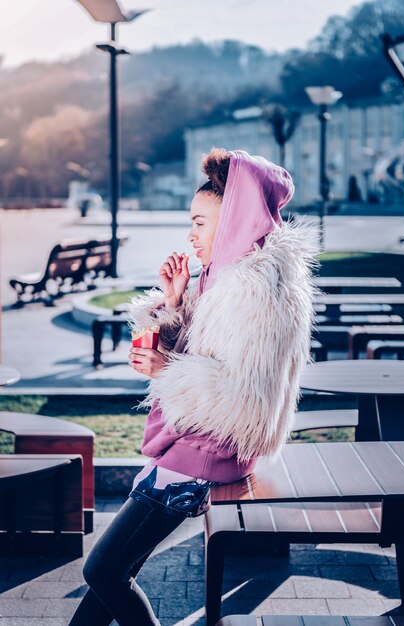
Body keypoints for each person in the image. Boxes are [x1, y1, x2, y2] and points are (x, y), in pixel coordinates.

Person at [68, 148, 320, 626]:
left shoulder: (259, 292)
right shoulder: (223, 279)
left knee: (102, 571)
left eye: (202, 222)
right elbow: (203, 353)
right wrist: (174, 303)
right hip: (192, 445)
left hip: (205, 454)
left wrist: (166, 369)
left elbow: (245, 404)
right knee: (113, 573)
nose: (192, 233)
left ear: (234, 222)